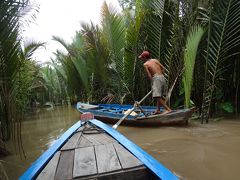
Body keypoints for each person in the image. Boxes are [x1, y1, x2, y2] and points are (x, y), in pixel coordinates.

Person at [138, 50, 172, 115]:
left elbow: (149, 75)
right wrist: (161, 76)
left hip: (156, 78)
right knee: (159, 95)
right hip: (162, 76)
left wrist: (153, 83)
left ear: (145, 58)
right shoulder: (155, 60)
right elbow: (163, 68)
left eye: (142, 58)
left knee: (156, 96)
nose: (141, 59)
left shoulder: (145, 64)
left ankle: (168, 109)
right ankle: (158, 110)